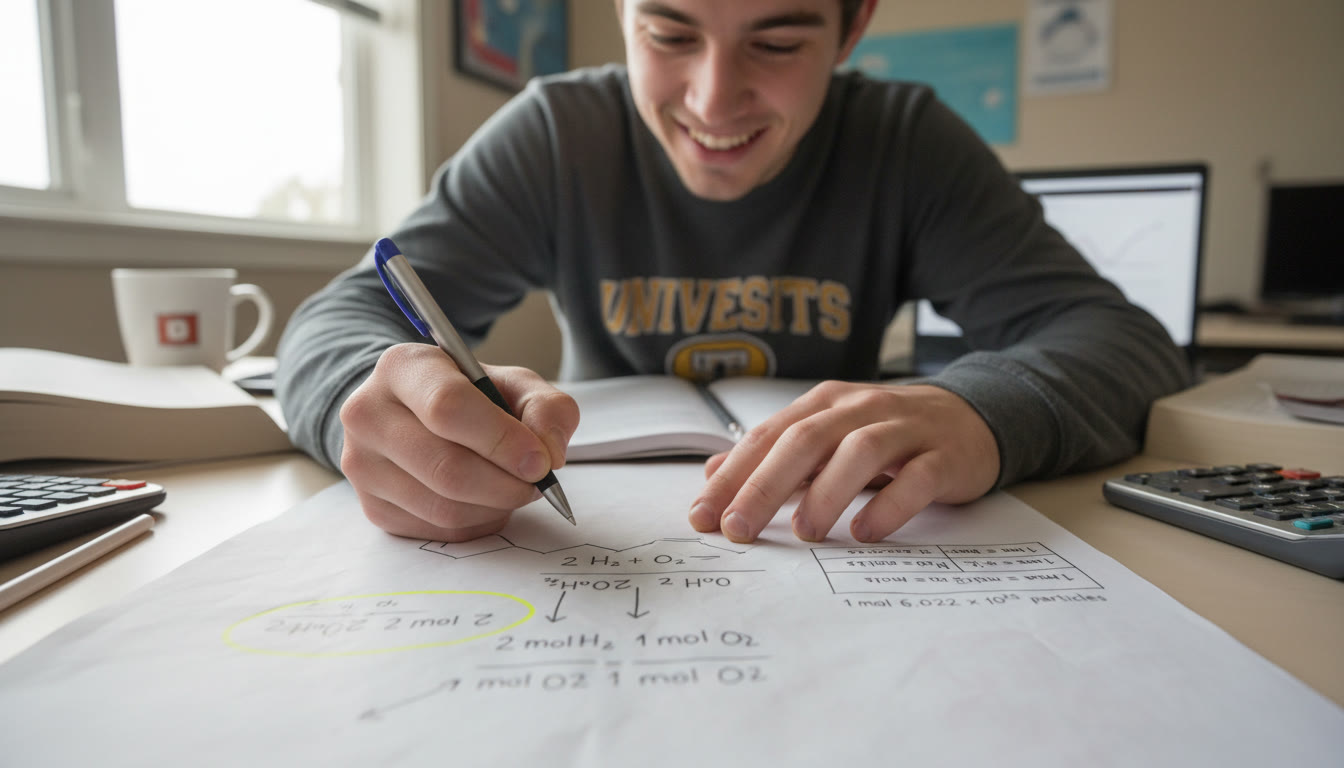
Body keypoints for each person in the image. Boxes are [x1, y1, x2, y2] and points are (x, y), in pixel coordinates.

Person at [275, 0, 1190, 547]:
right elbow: (345, 313)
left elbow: (1124, 342)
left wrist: (984, 410)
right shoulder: (559, 133)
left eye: (778, 43)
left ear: (852, 23)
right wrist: (376, 394)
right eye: (669, 32)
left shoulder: (905, 144)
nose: (713, 101)